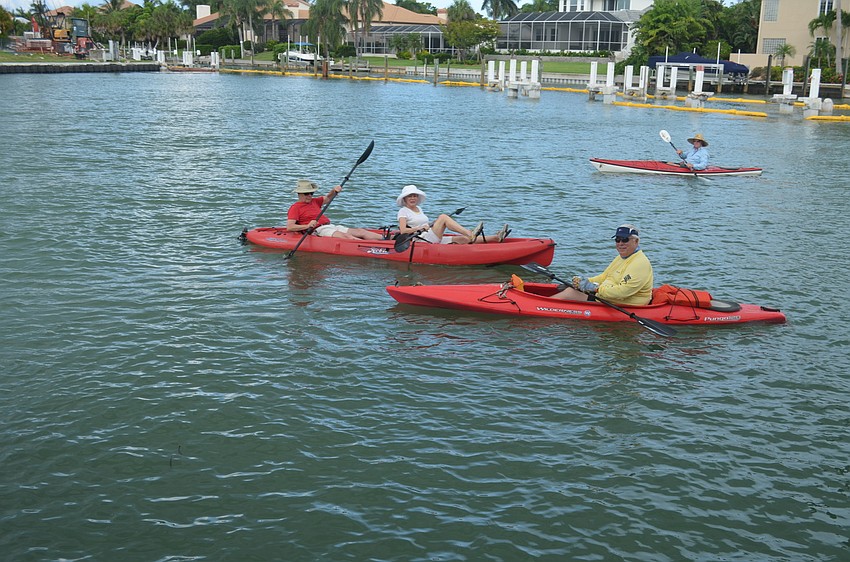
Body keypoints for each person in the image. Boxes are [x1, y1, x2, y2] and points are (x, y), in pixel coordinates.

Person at [551, 224, 653, 306]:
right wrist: (586, 281)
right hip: (608, 296)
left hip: (625, 303)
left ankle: (543, 306)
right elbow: (604, 277)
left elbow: (622, 292)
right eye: (617, 239)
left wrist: (595, 288)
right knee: (570, 289)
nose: (620, 243)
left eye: (625, 239)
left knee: (570, 293)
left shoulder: (639, 263)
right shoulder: (621, 258)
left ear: (636, 241)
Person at [395, 184, 510, 244]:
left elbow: (424, 224)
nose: (412, 198)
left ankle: (495, 237)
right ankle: (470, 233)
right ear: (405, 199)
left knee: (463, 240)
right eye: (410, 196)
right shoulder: (403, 211)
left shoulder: (419, 209)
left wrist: (432, 224)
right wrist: (420, 227)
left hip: (428, 235)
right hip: (420, 240)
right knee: (443, 217)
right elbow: (403, 231)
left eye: (414, 196)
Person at [286, 179, 383, 240]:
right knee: (347, 237)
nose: (310, 196)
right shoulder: (295, 207)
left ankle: (390, 239)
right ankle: (372, 248)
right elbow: (290, 227)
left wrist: (334, 190)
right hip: (318, 230)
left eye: (311, 193)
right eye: (307, 193)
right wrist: (307, 226)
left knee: (360, 232)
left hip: (330, 226)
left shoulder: (315, 201)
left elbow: (328, 198)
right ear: (300, 194)